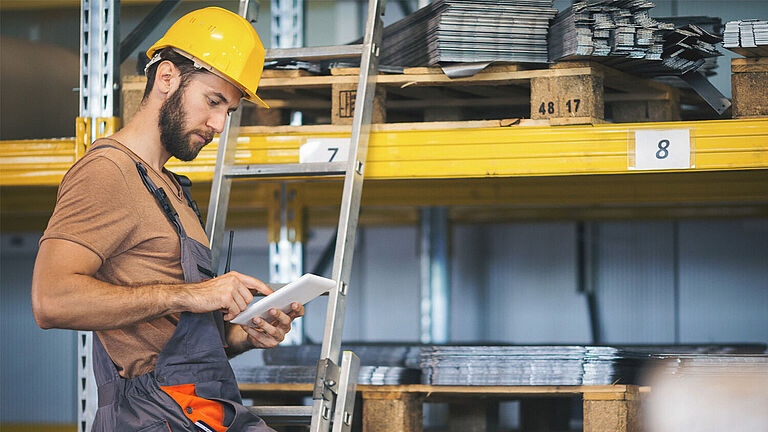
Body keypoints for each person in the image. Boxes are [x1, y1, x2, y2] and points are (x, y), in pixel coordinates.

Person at [31, 7, 297, 432]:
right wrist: (188, 295)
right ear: (168, 78)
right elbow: (51, 300)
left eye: (228, 111)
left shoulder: (171, 188)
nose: (218, 125)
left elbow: (175, 341)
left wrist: (242, 334)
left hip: (202, 405)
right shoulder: (106, 172)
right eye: (213, 102)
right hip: (153, 416)